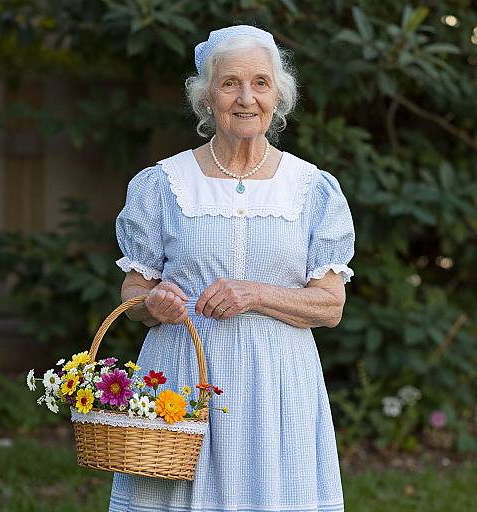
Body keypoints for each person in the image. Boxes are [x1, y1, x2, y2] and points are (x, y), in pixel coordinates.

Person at [109, 24, 355, 512]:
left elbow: (330, 307)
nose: (247, 98)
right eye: (230, 83)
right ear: (206, 98)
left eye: (260, 83)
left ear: (278, 96)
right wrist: (152, 303)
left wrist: (255, 293)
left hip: (277, 386)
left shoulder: (313, 189)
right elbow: (134, 291)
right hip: (182, 381)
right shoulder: (162, 185)